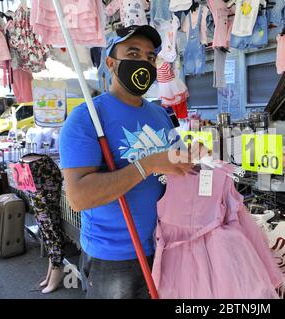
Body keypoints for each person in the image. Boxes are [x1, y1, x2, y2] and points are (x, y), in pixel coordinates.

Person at [60, 25, 202, 299]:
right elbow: (78, 197)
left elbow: (177, 164)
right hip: (115, 258)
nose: (143, 62)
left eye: (150, 57)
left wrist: (192, 159)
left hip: (165, 246)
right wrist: (146, 165)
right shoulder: (87, 118)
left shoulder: (161, 114)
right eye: (133, 53)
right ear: (111, 63)